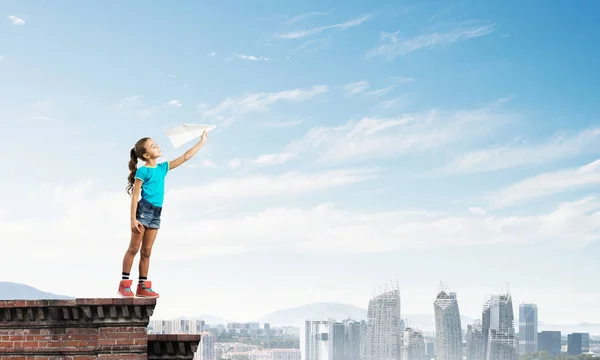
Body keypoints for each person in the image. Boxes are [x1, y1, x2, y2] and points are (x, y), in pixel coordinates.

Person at [118, 130, 208, 298]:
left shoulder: (162, 168)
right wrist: (132, 219)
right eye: (153, 146)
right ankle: (124, 284)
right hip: (143, 211)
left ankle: (142, 286)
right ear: (146, 155)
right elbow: (135, 196)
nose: (157, 146)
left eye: (156, 144)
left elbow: (185, 157)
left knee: (147, 251)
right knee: (134, 248)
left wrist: (201, 142)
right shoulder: (142, 171)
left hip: (156, 213)